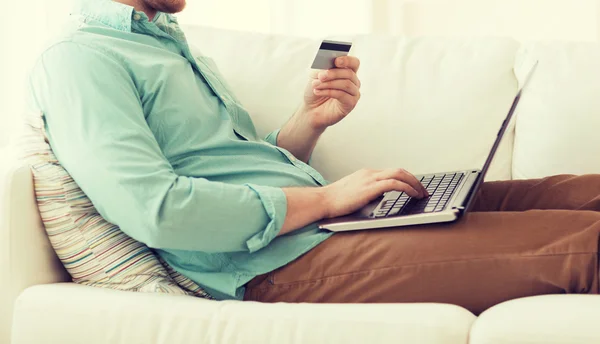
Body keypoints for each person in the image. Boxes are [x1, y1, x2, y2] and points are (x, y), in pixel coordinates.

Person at [28, 0, 599, 315]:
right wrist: (327, 197)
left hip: (323, 223)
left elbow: (235, 165)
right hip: (275, 264)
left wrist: (309, 121)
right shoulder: (82, 60)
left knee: (580, 194)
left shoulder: (166, 41)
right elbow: (155, 208)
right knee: (585, 246)